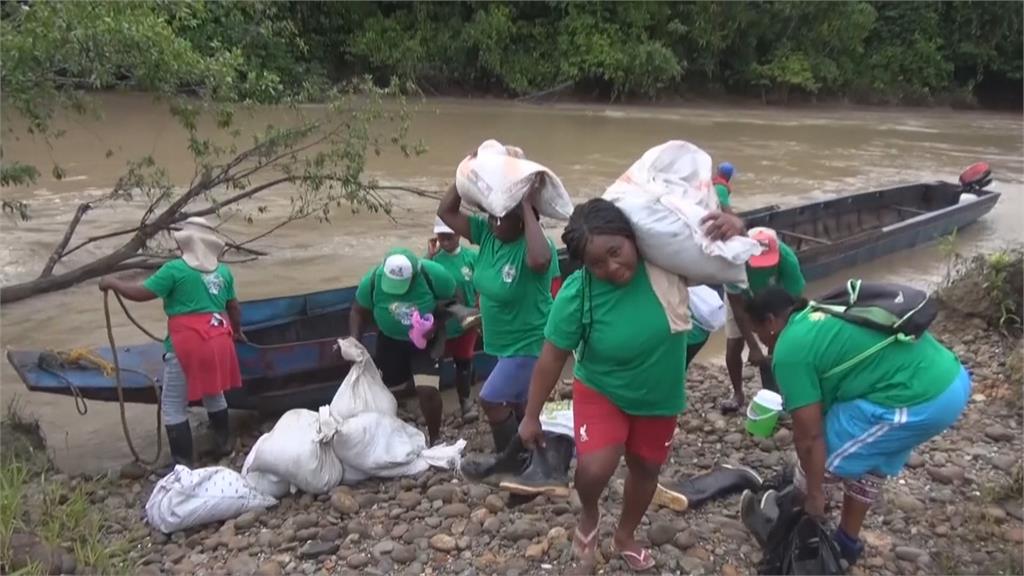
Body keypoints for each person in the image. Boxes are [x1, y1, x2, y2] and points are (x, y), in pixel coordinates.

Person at [518, 198, 691, 572]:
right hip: (602, 389)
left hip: (660, 396)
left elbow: (723, 259)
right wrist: (531, 416)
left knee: (646, 468)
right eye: (597, 263)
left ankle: (625, 534)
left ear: (631, 238)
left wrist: (727, 224)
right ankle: (590, 514)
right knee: (595, 468)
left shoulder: (668, 266)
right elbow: (551, 358)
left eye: (616, 252)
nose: (612, 267)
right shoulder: (578, 293)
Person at [743, 287, 970, 565]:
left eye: (760, 334)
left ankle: (793, 538)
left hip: (920, 398)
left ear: (770, 321)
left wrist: (814, 494)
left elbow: (809, 437)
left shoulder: (789, 349)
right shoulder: (818, 311)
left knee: (820, 464)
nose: (765, 344)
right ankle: (846, 544)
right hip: (949, 378)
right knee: (868, 460)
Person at [98, 217, 243, 470]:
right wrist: (238, 332)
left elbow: (142, 293)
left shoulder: (175, 270)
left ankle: (182, 462)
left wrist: (113, 283)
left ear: (186, 245)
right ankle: (224, 444)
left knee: (173, 406)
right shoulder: (223, 271)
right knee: (214, 392)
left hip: (189, 343)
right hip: (220, 337)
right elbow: (233, 306)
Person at [437, 172, 559, 454]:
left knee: (491, 400)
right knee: (519, 402)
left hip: (530, 342)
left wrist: (525, 205)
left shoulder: (536, 246)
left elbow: (540, 261)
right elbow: (446, 211)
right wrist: (464, 175)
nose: (493, 223)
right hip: (503, 342)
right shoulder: (488, 235)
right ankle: (532, 457)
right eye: (491, 216)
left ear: (520, 219)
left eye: (501, 217)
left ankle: (512, 461)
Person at [349, 247, 457, 445]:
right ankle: (384, 432)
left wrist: (435, 325)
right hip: (390, 341)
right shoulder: (373, 279)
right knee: (382, 387)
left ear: (414, 274)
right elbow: (358, 310)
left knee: (428, 391)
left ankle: (435, 439)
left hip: (427, 341)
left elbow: (454, 299)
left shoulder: (432, 274)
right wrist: (355, 341)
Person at [721, 227, 805, 413]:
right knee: (734, 344)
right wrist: (754, 347)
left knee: (778, 342)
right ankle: (737, 394)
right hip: (743, 297)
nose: (764, 268)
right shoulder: (734, 261)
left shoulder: (787, 260)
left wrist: (776, 338)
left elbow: (792, 305)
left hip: (773, 298)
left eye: (768, 263)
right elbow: (738, 310)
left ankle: (776, 394)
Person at [427, 216, 480, 422]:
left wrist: (479, 301)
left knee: (464, 361)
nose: (445, 238)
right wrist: (429, 256)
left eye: (450, 234)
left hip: (467, 321)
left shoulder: (471, 258)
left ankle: (466, 401)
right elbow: (423, 285)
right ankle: (433, 407)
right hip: (441, 323)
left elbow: (482, 283)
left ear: (459, 234)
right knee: (434, 362)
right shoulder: (433, 260)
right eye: (441, 235)